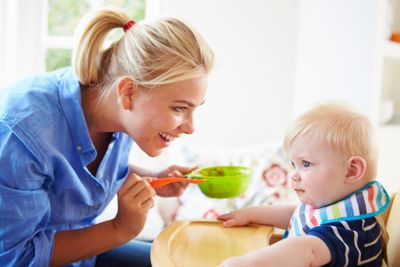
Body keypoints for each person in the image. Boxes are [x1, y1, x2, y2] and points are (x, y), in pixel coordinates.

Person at [0, 6, 213, 267]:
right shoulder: (21, 134)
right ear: (128, 92)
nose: (190, 128)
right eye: (180, 108)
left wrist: (153, 179)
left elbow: (75, 173)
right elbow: (14, 257)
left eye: (194, 109)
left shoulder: (116, 109)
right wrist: (121, 229)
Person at [217, 102, 390, 267]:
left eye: (306, 164)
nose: (294, 175)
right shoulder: (332, 207)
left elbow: (306, 251)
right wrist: (251, 214)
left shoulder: (352, 231)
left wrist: (248, 263)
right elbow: (297, 215)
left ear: (351, 171)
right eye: (294, 165)